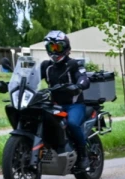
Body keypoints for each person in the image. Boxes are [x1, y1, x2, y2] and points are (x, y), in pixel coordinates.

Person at [39, 31, 91, 170]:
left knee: (72, 124)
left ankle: (83, 154)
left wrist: (79, 86)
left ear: (66, 47)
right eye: (51, 47)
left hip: (74, 105)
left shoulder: (73, 64)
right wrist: (13, 84)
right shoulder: (46, 66)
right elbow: (31, 77)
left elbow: (84, 78)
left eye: (58, 47)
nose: (54, 51)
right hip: (55, 105)